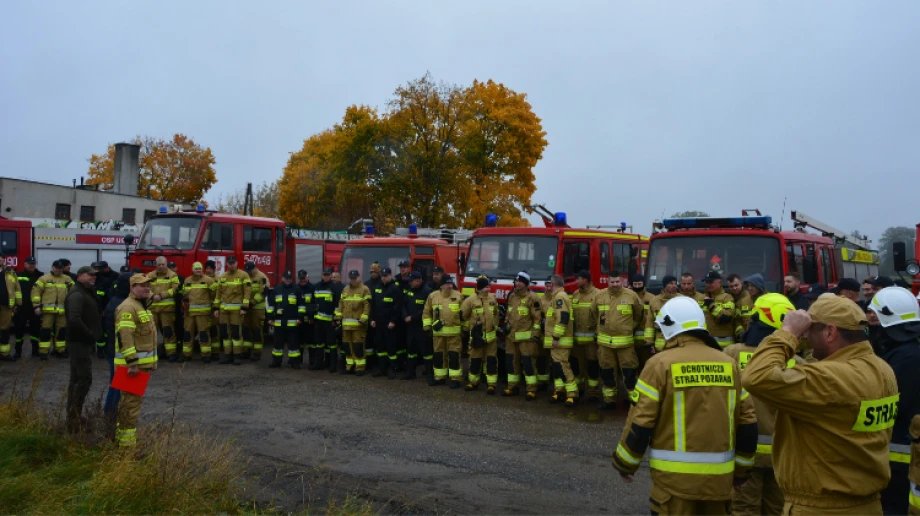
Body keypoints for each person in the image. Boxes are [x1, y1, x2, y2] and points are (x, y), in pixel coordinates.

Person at [743, 296, 899, 514]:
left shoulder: (832, 377)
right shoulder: (881, 370)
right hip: (867, 503)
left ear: (830, 332)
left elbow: (756, 377)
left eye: (810, 330)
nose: (805, 336)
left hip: (820, 507)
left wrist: (788, 331)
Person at [612, 296, 757, 515]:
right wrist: (742, 472)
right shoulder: (729, 364)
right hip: (720, 484)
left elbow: (641, 420)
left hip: (673, 486)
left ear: (671, 326)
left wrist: (626, 463)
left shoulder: (660, 364)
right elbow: (748, 421)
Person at [724, 293, 801, 515]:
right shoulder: (797, 362)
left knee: (744, 509)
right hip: (783, 455)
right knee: (777, 509)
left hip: (744, 452)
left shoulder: (731, 355)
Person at [866, 287, 920, 515]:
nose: (869, 320)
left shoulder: (905, 358)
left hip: (900, 455)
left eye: (874, 315)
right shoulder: (906, 351)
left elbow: (888, 400)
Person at [115, 274, 158, 448]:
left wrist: (152, 363)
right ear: (132, 288)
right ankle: (126, 447)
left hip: (141, 365)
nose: (146, 288)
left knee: (131, 403)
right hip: (132, 367)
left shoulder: (141, 306)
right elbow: (125, 337)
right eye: (142, 286)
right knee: (130, 405)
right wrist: (132, 363)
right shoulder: (128, 307)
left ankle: (123, 440)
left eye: (148, 285)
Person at [592, 272, 643, 410]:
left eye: (617, 282)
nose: (615, 284)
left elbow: (639, 314)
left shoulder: (631, 295)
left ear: (622, 282)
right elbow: (594, 313)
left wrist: (628, 328)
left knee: (629, 373)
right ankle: (609, 400)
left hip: (625, 344)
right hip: (604, 343)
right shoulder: (599, 296)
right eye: (612, 282)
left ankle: (634, 400)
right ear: (608, 282)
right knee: (607, 372)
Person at [63, 266, 102, 432]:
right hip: (79, 343)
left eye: (95, 275)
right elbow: (74, 319)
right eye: (90, 275)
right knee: (83, 379)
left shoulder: (86, 292)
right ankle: (73, 418)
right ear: (80, 276)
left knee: (77, 379)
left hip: (82, 342)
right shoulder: (77, 294)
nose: (93, 277)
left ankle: (74, 416)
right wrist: (90, 335)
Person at [502, 272, 542, 399]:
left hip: (526, 339)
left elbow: (537, 319)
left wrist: (535, 335)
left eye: (520, 281)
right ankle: (512, 387)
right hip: (511, 338)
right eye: (516, 281)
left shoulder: (533, 298)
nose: (517, 283)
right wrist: (505, 325)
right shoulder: (512, 296)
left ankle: (531, 390)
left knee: (529, 364)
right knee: (511, 363)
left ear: (526, 284)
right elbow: (509, 313)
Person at [422, 274, 464, 387]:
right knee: (439, 356)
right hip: (438, 334)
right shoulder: (433, 296)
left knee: (454, 356)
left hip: (454, 334)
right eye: (447, 284)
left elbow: (464, 315)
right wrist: (427, 327)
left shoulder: (459, 296)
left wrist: (465, 328)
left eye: (451, 283)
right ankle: (440, 377)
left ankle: (456, 379)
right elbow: (426, 312)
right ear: (441, 285)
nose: (450, 286)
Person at [461, 275, 499, 394]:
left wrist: (495, 326)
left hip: (491, 337)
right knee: (475, 360)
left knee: (491, 361)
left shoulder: (492, 299)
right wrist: (471, 328)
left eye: (489, 286)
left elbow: (496, 315)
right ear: (480, 288)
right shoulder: (470, 300)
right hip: (477, 337)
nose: (488, 289)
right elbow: (463, 316)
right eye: (486, 287)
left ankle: (491, 384)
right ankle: (473, 382)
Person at [545, 274, 577, 406]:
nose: (546, 286)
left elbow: (563, 318)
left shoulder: (559, 297)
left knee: (563, 367)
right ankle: (559, 391)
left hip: (560, 341)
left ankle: (572, 395)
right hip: (558, 340)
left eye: (548, 284)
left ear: (552, 284)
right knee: (557, 367)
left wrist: (556, 337)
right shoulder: (558, 296)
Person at [32, 260, 74, 359]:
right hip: (47, 312)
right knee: (45, 331)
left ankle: (60, 351)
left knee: (62, 332)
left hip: (62, 312)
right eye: (56, 268)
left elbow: (74, 292)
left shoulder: (67, 279)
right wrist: (36, 306)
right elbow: (35, 292)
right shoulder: (44, 279)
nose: (58, 270)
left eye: (60, 268)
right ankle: (43, 352)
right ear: (52, 267)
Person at [103, 272, 132, 419]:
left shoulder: (116, 300)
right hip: (123, 355)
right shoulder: (125, 306)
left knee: (115, 385)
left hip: (116, 352)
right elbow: (126, 334)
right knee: (123, 388)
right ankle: (116, 417)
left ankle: (109, 413)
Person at [214, 256, 252, 365]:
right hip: (224, 311)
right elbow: (218, 293)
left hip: (237, 310)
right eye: (230, 263)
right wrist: (216, 307)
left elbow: (247, 291)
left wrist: (245, 307)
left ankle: (237, 356)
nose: (231, 265)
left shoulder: (243, 275)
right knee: (225, 333)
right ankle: (227, 355)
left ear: (237, 263)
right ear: (227, 264)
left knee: (236, 333)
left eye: (233, 263)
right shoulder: (223, 276)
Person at [571, 270, 600, 400]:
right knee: (577, 367)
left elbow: (602, 317)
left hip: (592, 340)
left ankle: (593, 393)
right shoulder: (575, 294)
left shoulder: (598, 295)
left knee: (593, 366)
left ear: (587, 280)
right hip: (577, 341)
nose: (576, 281)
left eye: (579, 279)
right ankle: (579, 390)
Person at [267, 270, 304, 369]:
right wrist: (270, 318)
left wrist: (300, 318)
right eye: (286, 278)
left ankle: (294, 362)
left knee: (294, 345)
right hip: (279, 323)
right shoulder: (277, 289)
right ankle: (276, 361)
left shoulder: (297, 289)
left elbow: (301, 306)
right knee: (277, 344)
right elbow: (271, 305)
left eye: (290, 278)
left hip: (293, 323)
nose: (288, 280)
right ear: (282, 278)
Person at [146, 256, 181, 361]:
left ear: (166, 264)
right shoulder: (150, 275)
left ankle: (171, 354)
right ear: (156, 265)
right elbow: (146, 287)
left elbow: (175, 289)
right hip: (152, 309)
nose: (161, 267)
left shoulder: (173, 275)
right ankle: (151, 354)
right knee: (151, 332)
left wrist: (161, 295)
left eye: (163, 265)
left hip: (167, 310)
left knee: (168, 331)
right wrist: (152, 295)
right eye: (159, 265)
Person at [181, 262, 217, 363]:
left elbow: (215, 294)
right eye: (196, 268)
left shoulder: (208, 280)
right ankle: (186, 355)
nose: (198, 270)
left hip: (203, 313)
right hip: (189, 314)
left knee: (204, 334)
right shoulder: (187, 280)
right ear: (193, 269)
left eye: (200, 268)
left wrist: (214, 307)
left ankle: (206, 355)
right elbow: (184, 294)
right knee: (188, 334)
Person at [402, 271, 433, 382]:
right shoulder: (410, 290)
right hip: (411, 327)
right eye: (410, 281)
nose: (410, 283)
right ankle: (410, 372)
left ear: (419, 280)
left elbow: (426, 310)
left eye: (412, 281)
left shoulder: (428, 292)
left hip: (422, 327)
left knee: (426, 352)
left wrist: (413, 317)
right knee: (411, 350)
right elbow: (404, 305)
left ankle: (430, 375)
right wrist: (405, 315)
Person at [338, 270, 371, 375]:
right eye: (351, 278)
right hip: (346, 325)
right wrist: (338, 317)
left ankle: (360, 367)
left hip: (358, 325)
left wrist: (363, 318)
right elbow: (341, 305)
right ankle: (349, 366)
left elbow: (367, 305)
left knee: (358, 346)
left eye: (354, 278)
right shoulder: (345, 289)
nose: (353, 280)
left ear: (358, 277)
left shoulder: (364, 289)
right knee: (347, 346)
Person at [371, 267, 401, 378]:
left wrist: (393, 321)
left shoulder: (394, 288)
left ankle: (393, 369)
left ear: (390, 275)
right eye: (382, 276)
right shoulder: (377, 287)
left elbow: (397, 307)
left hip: (389, 324)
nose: (384, 278)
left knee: (391, 347)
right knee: (380, 347)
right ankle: (382, 369)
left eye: (386, 276)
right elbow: (373, 304)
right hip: (379, 322)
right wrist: (372, 319)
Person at [14, 256, 42, 359]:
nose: (32, 265)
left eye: (33, 263)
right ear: (25, 264)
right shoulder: (18, 275)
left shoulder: (41, 276)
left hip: (35, 308)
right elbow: (12, 291)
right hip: (21, 307)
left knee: (35, 330)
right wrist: (14, 305)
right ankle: (18, 352)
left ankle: (35, 350)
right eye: (29, 263)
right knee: (19, 330)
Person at [312, 267, 339, 372]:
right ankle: (318, 363)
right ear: (321, 275)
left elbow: (337, 305)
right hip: (318, 321)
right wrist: (312, 316)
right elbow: (313, 303)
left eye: (328, 275)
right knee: (319, 343)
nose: (326, 276)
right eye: (324, 274)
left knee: (331, 344)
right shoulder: (316, 286)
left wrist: (335, 320)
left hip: (329, 322)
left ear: (330, 276)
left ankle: (332, 365)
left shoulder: (334, 287)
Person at [243, 261, 270, 361]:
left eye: (250, 270)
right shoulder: (246, 276)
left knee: (257, 331)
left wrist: (253, 302)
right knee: (246, 330)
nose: (248, 272)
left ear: (254, 268)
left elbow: (263, 292)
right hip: (247, 308)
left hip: (257, 308)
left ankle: (257, 353)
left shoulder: (262, 277)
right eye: (247, 271)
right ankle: (246, 351)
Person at [702, 272, 736, 349]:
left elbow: (726, 317)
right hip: (704, 343)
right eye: (706, 282)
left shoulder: (727, 298)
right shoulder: (701, 297)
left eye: (711, 282)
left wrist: (711, 305)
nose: (708, 285)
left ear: (720, 282)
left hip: (724, 346)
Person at [646, 275, 680, 352]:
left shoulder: (682, 299)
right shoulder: (654, 301)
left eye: (675, 283)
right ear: (664, 285)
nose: (674, 286)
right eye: (671, 283)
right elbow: (649, 323)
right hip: (660, 344)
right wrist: (649, 342)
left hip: (677, 342)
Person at [92, 261, 118, 359]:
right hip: (96, 307)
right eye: (96, 269)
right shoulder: (95, 278)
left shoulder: (113, 277)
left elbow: (110, 295)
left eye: (100, 269)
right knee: (98, 329)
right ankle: (99, 349)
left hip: (106, 307)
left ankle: (105, 349)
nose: (98, 271)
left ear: (107, 267)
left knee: (106, 329)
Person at [629, 274, 656, 370]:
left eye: (639, 284)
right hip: (630, 339)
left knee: (646, 364)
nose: (637, 286)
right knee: (632, 364)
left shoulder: (652, 298)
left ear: (643, 284)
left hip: (646, 339)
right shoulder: (628, 297)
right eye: (635, 284)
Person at [0, 263, 21, 361]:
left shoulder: (11, 272)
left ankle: (5, 354)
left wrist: (18, 304)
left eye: (1, 258)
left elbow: (17, 289)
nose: (0, 260)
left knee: (5, 330)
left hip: (6, 306)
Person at [364, 262, 383, 369]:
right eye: (371, 272)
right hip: (370, 315)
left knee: (380, 340)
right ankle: (370, 362)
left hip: (380, 316)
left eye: (374, 272)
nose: (372, 274)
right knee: (369, 340)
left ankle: (380, 363)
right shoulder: (367, 284)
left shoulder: (382, 283)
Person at [297, 270, 317, 368]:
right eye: (300, 278)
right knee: (299, 342)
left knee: (311, 343)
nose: (302, 280)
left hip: (310, 321)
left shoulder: (312, 288)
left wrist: (311, 317)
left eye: (304, 278)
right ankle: (299, 361)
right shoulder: (296, 288)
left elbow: (314, 304)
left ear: (307, 277)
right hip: (299, 321)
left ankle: (312, 361)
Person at [726, 273, 753, 341]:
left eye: (736, 285)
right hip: (730, 335)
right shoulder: (726, 298)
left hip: (747, 335)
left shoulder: (750, 297)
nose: (734, 288)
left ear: (742, 283)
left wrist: (742, 333)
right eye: (731, 286)